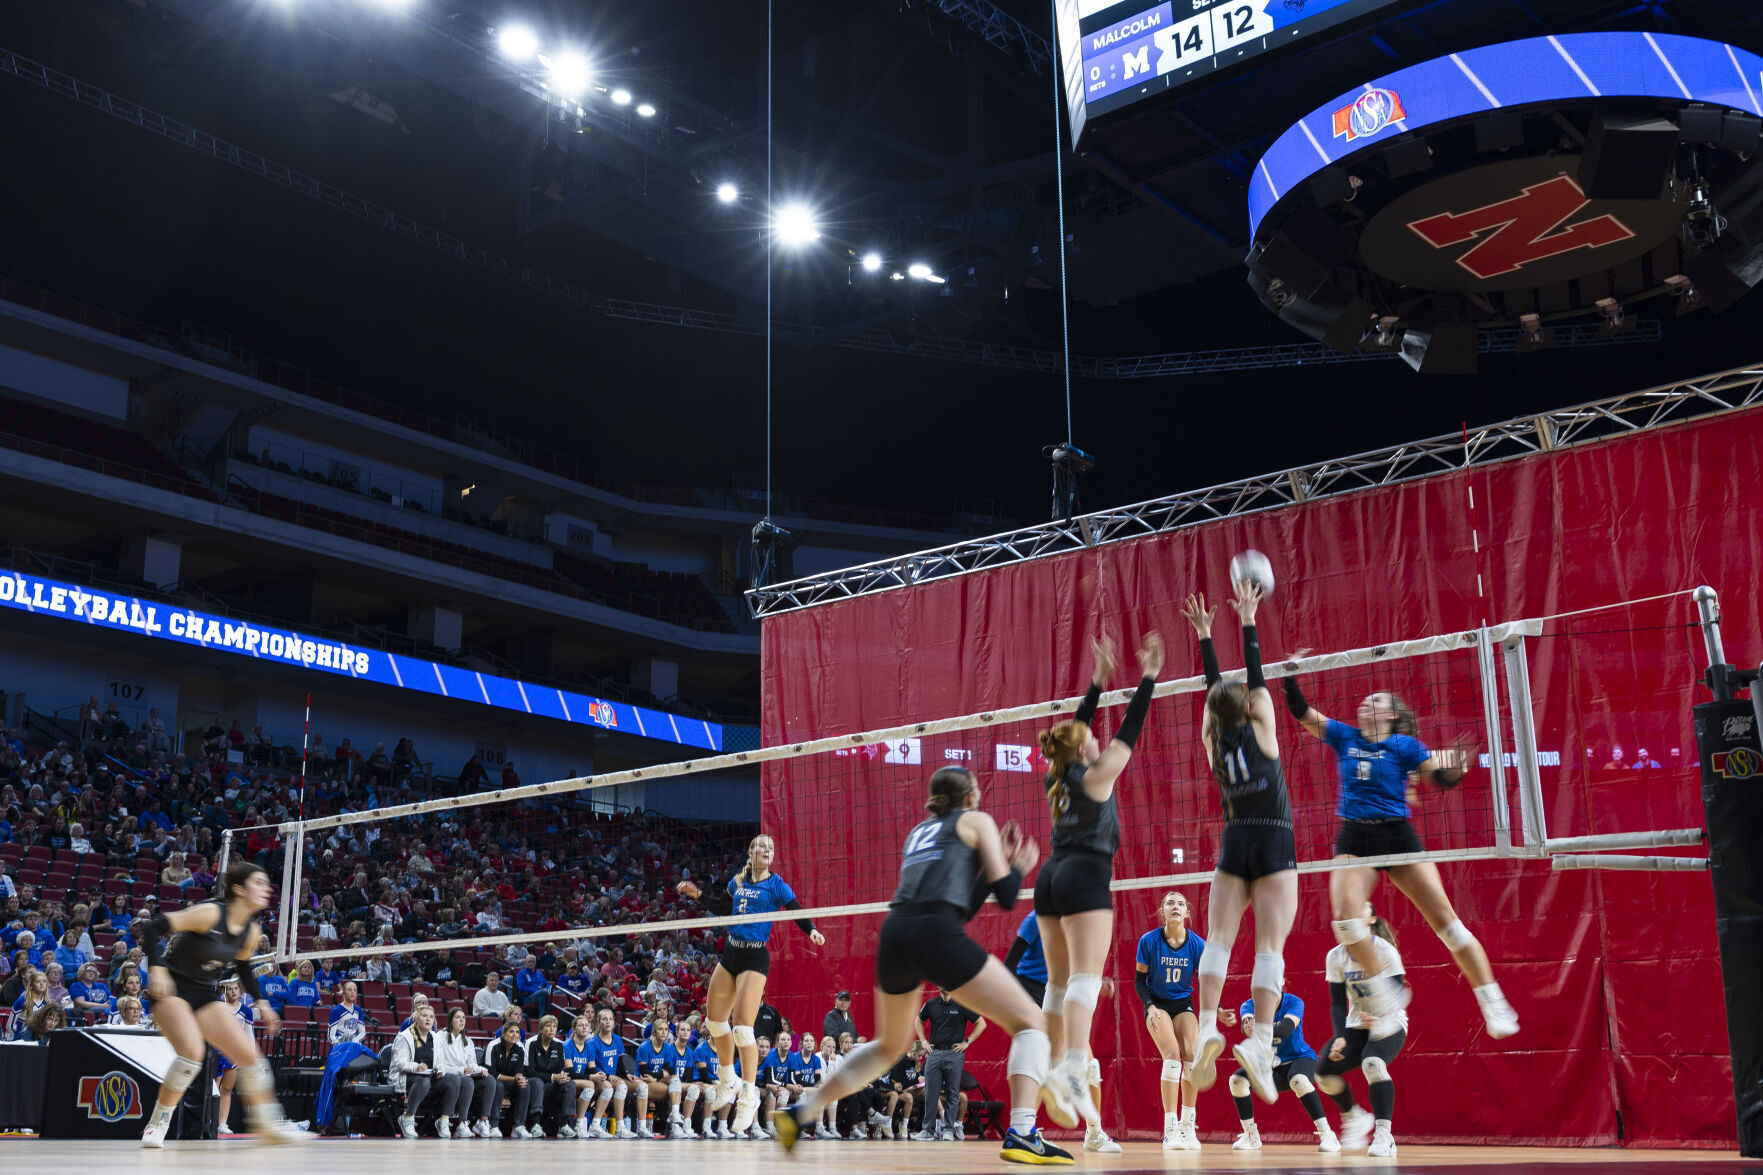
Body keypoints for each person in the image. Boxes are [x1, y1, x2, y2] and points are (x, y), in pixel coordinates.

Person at [775, 765, 1072, 1164]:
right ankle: (1021, 1133)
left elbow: (962, 906)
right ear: (969, 797)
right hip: (936, 933)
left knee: (887, 1046)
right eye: (979, 792)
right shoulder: (977, 818)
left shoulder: (918, 833)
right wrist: (1016, 863)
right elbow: (1004, 896)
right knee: (1030, 1023)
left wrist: (992, 862)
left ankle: (801, 1113)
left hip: (896, 934)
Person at [1281, 651, 1520, 1039]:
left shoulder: (1405, 746)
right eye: (1366, 699)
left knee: (1450, 928)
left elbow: (1437, 779)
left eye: (1377, 699)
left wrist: (1454, 772)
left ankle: (1493, 1000)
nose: (1366, 701)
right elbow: (1303, 712)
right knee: (1345, 920)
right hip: (1355, 836)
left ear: (1392, 714)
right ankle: (1383, 992)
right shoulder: (1345, 736)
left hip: (1397, 836)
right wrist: (1290, 676)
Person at [1033, 631, 1163, 1126]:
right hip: (1086, 876)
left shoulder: (1056, 773)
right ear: (1084, 746)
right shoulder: (1094, 776)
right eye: (1089, 734)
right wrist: (1148, 675)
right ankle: (1069, 1068)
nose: (1094, 734)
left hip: (1050, 877)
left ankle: (1054, 1063)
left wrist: (1097, 682)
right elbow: (1129, 731)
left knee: (1058, 984)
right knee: (1085, 979)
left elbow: (1077, 729)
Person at [1180, 583, 1299, 1109]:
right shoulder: (1264, 729)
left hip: (1234, 839)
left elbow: (1220, 697)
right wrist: (1247, 620)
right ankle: (1261, 1039)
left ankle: (1208, 1026)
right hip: (1273, 835)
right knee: (1269, 946)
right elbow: (1256, 680)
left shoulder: (1212, 740)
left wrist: (1205, 636)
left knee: (1220, 941)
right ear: (1249, 709)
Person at [134, 860, 307, 1146]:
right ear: (239, 889)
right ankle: (157, 1124)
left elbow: (242, 967)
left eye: (267, 883)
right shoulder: (210, 913)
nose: (267, 889)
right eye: (259, 883)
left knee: (250, 1057)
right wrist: (157, 969)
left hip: (204, 992)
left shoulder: (250, 932)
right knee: (192, 1053)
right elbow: (152, 928)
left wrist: (262, 1002)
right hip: (172, 987)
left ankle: (267, 1124)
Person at [675, 833, 826, 1135]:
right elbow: (722, 908)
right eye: (762, 846)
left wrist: (811, 931)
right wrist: (697, 895)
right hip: (731, 952)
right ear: (752, 851)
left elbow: (795, 909)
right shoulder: (738, 881)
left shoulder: (776, 885)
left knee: (743, 1026)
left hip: (756, 957)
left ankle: (748, 1093)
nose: (768, 850)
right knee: (715, 1022)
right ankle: (727, 1080)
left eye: (771, 847)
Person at [1316, 902, 1407, 1158]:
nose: (1352, 914)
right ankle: (1355, 1116)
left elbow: (1398, 994)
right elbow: (1336, 1002)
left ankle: (1384, 1135)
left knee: (1373, 1063)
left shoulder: (1384, 951)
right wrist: (1340, 1036)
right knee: (1323, 1072)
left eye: (1361, 909)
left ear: (1371, 919)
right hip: (1357, 1023)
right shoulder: (1336, 956)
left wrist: (1381, 1020)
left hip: (1390, 1020)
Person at [1225, 982, 1338, 1152]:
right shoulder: (1249, 1005)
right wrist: (1248, 1028)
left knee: (1299, 1080)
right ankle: (1251, 1137)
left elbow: (1285, 1028)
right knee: (1237, 1081)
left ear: (1282, 982)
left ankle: (1327, 1134)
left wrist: (1261, 1029)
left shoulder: (1294, 1002)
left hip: (1299, 1059)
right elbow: (1246, 1024)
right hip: (1271, 1067)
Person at [1133, 890, 1206, 1150]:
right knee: (1173, 1057)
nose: (1176, 906)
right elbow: (1139, 981)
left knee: (1193, 1058)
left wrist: (1212, 1011)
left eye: (1181, 904)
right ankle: (1170, 1128)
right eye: (1170, 903)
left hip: (1183, 1003)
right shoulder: (1149, 941)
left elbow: (1203, 980)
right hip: (1157, 1003)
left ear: (1187, 913)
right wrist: (1150, 1007)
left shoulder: (1197, 944)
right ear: (1162, 912)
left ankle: (1188, 1126)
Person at [914, 987, 984, 1140]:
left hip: (954, 1053)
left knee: (953, 1092)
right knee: (931, 1092)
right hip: (934, 1052)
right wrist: (923, 1041)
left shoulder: (962, 1003)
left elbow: (981, 1023)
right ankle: (928, 1131)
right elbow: (918, 1020)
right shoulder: (931, 1004)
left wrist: (967, 1042)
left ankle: (948, 1130)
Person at [391, 1001, 461, 1139]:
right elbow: (400, 1063)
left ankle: (444, 1120)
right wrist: (416, 1066)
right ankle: (408, 1118)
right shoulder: (404, 1037)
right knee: (423, 1081)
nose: (429, 1019)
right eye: (424, 1016)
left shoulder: (435, 1038)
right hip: (405, 1076)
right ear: (416, 1018)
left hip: (429, 1076)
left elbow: (441, 1062)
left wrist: (440, 1070)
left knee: (454, 1079)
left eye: (431, 1016)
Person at [438, 1006, 499, 1138]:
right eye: (457, 1017)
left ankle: (483, 1121)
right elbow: (440, 1065)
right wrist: (461, 1070)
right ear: (450, 1021)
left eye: (463, 1018)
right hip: (448, 1077)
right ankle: (462, 1124)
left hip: (465, 1077)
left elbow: (472, 1064)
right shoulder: (440, 1037)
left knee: (489, 1080)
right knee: (467, 1081)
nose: (461, 1020)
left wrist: (481, 1070)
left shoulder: (467, 1040)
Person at [214, 977, 257, 1133]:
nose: (233, 991)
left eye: (235, 989)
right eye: (230, 989)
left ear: (240, 991)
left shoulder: (246, 1010)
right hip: (217, 1050)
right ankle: (209, 1120)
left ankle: (222, 1124)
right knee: (214, 1088)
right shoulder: (218, 1007)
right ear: (225, 990)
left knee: (227, 1089)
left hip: (233, 1053)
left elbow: (249, 1034)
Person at [584, 1006, 632, 1138]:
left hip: (612, 1077)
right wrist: (608, 1075)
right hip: (598, 1077)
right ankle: (595, 1125)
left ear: (614, 1022)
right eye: (604, 1019)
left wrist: (627, 1073)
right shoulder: (592, 1042)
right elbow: (591, 1066)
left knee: (622, 1087)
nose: (608, 1022)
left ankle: (620, 1127)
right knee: (609, 1088)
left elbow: (622, 1060)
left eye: (610, 1019)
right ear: (598, 1023)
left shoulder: (617, 1039)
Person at [484, 1019, 528, 1138]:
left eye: (517, 1032)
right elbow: (491, 1072)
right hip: (490, 1081)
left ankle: (519, 1126)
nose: (515, 1035)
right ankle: (493, 1126)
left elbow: (519, 1070)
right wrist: (514, 1079)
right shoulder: (493, 1046)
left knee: (525, 1086)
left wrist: (519, 1077)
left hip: (509, 1082)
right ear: (504, 1034)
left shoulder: (520, 1047)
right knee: (497, 1085)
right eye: (511, 1031)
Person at [561, 1012, 600, 1138]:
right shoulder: (567, 1045)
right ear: (574, 1028)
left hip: (580, 1081)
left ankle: (595, 1125)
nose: (584, 1028)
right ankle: (579, 1124)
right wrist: (590, 1077)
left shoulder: (589, 1046)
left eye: (586, 1025)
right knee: (590, 1084)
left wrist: (599, 1075)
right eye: (580, 1025)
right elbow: (569, 1073)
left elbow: (592, 1068)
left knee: (604, 1084)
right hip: (566, 1080)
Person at [327, 980, 369, 1045]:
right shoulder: (336, 1010)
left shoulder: (358, 1010)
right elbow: (330, 1035)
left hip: (352, 1047)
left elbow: (362, 1032)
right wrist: (338, 1044)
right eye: (349, 990)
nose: (352, 992)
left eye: (355, 990)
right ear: (343, 993)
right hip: (338, 1047)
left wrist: (355, 1040)